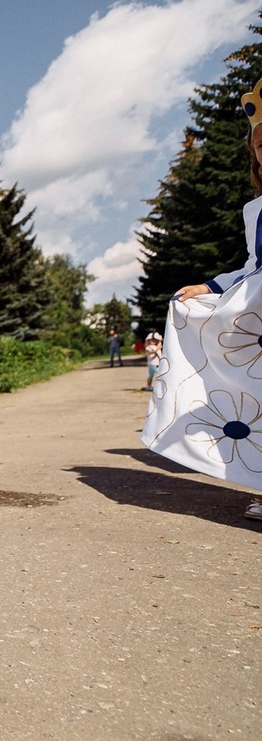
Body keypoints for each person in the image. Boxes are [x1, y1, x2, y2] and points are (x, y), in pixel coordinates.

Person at [148, 76, 262, 523]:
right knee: (255, 394)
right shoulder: (258, 210)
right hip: (257, 311)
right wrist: (211, 288)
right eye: (258, 147)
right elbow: (253, 266)